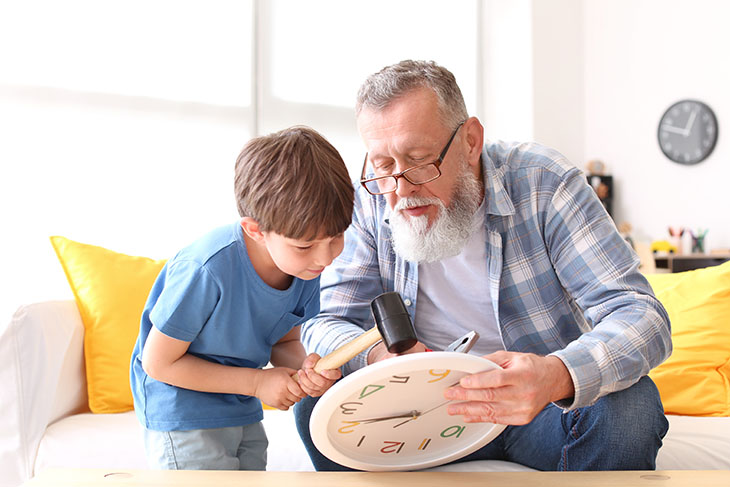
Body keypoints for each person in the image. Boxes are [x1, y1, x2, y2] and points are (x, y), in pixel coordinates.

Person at [294, 60, 672, 471]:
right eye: (383, 166)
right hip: (417, 409)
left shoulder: (544, 182)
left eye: (419, 160)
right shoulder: (368, 200)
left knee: (631, 407)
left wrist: (556, 373)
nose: (400, 190)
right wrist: (375, 360)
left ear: (471, 140)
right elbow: (327, 324)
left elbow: (641, 315)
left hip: (540, 408)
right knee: (315, 406)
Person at [130, 126, 354, 470]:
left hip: (241, 405)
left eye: (336, 236)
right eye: (306, 245)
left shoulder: (303, 267)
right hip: (183, 414)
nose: (326, 258)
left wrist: (303, 367)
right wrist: (257, 382)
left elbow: (284, 339)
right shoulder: (207, 269)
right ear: (255, 230)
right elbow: (158, 363)